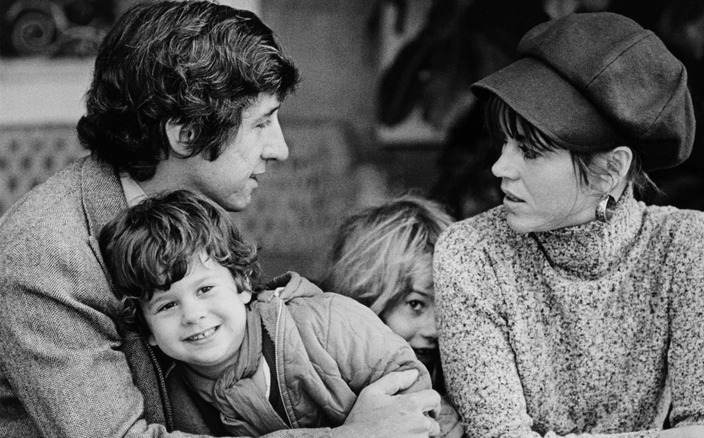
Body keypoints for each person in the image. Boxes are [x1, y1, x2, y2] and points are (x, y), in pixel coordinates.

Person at [0, 2, 440, 437]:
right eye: (262, 123)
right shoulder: (46, 256)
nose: (279, 149)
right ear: (186, 135)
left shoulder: (190, 211)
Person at [433, 12, 704, 438]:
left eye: (529, 150)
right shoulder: (471, 252)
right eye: (505, 142)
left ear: (611, 170)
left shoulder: (685, 245)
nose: (500, 166)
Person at [98, 190, 435, 437]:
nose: (192, 314)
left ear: (243, 284)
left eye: (205, 289)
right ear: (150, 331)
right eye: (167, 305)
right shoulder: (175, 398)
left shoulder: (326, 322)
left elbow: (412, 388)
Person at [323, 194, 463, 437]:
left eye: (445, 306)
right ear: (364, 299)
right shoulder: (320, 384)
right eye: (415, 304)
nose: (434, 329)